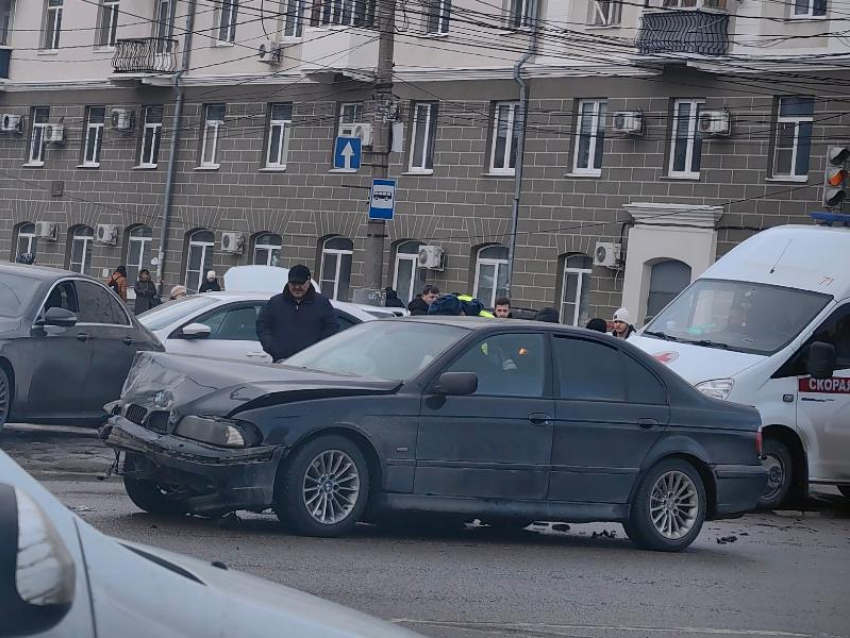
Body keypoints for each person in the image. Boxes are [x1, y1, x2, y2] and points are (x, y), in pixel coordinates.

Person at [256, 264, 339, 362]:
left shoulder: (322, 304)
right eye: (293, 284)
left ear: (308, 282)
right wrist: (274, 350)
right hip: (281, 363)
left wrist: (316, 352)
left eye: (300, 284)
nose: (296, 287)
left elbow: (332, 329)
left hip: (312, 364)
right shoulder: (275, 303)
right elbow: (262, 327)